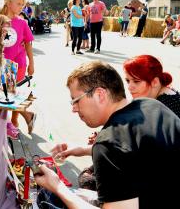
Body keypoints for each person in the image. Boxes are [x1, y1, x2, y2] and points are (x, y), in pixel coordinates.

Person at [36, 61, 180, 209]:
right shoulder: (151, 105)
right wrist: (83, 149)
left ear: (100, 94)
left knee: (51, 198)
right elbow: (137, 153)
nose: (74, 109)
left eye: (76, 101)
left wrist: (57, 186)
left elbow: (119, 150)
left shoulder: (108, 143)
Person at [0, 0, 36, 137]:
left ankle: (14, 123)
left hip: (18, 63)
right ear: (8, 2)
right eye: (18, 3)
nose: (21, 7)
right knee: (8, 94)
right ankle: (27, 116)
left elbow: (28, 44)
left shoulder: (22, 23)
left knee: (12, 94)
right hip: (3, 63)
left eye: (22, 5)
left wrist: (31, 63)